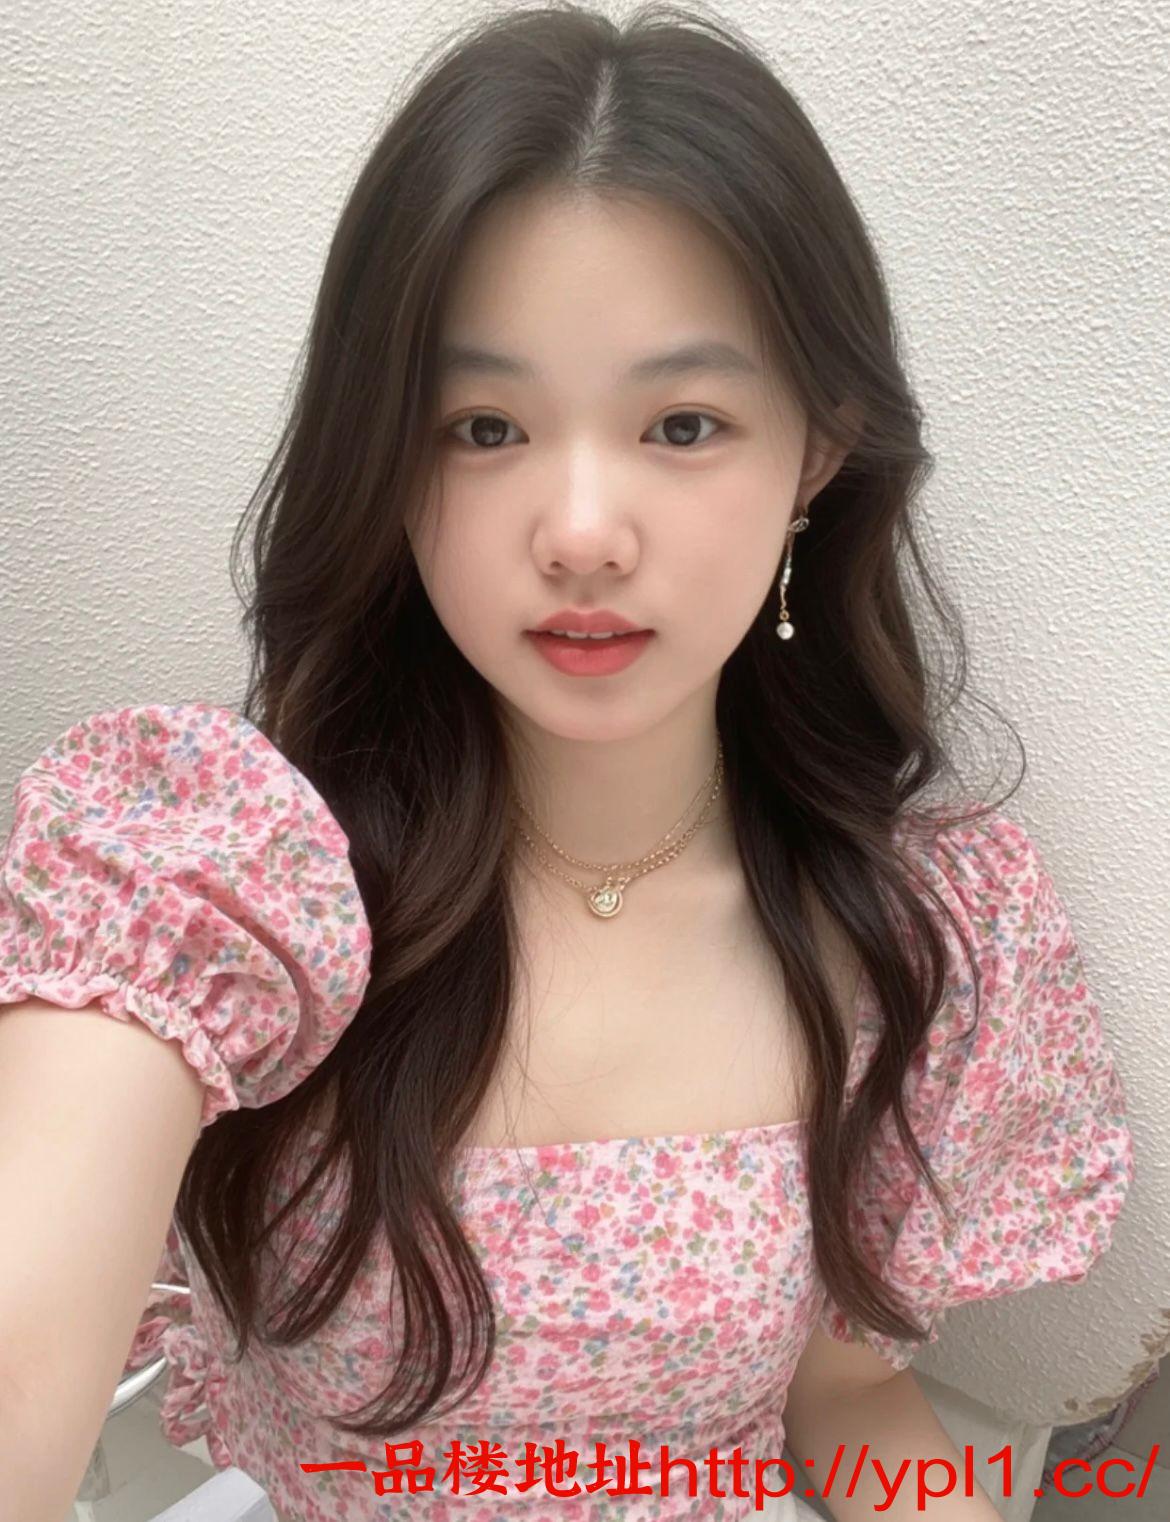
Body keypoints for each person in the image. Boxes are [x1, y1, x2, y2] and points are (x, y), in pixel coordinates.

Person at [0, 6, 1134, 1521]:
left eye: (683, 422)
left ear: (814, 454)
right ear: (385, 460)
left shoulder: (912, 935)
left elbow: (848, 1396)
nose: (583, 531)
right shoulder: (212, 896)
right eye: (484, 427)